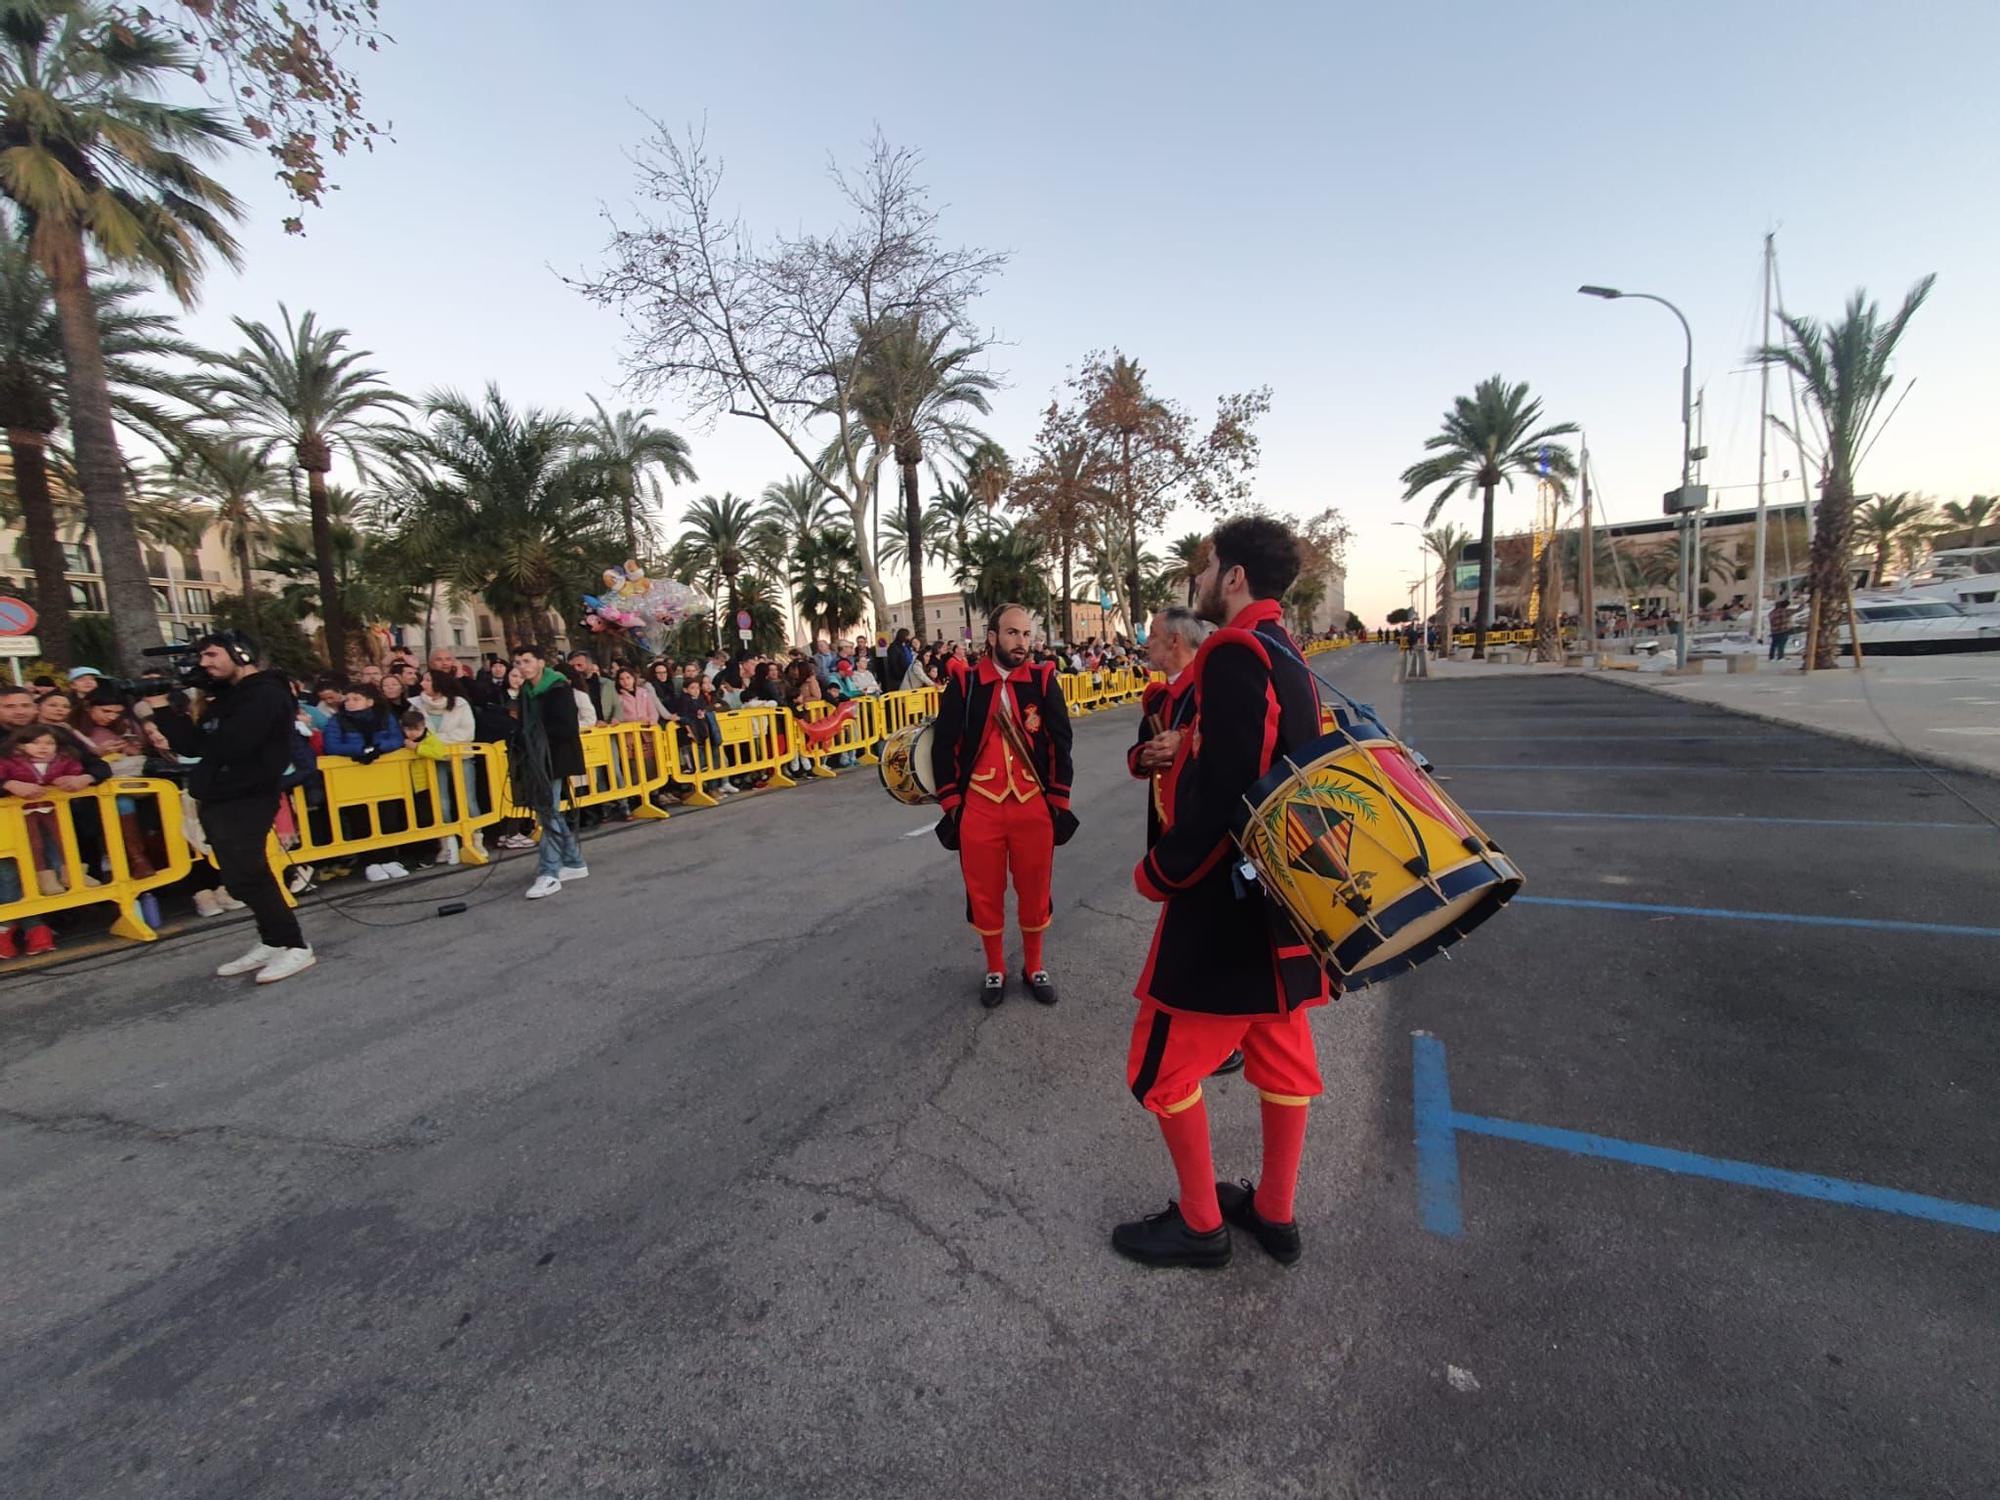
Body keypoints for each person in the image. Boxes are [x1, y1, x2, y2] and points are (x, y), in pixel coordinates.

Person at [1113, 515, 1331, 1271]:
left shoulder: (1236, 650)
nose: (1200, 579)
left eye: (1207, 566)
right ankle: (1274, 1213)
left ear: (1233, 576)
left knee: (1162, 1066)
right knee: (1282, 1058)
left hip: (1226, 908)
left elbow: (1231, 790)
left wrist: (1163, 870)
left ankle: (1202, 1224)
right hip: (1283, 904)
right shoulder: (1286, 650)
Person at [137, 631, 316, 983]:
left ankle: (294, 945)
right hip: (219, 795)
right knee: (239, 877)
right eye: (201, 658)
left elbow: (234, 744)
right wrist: (160, 706)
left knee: (250, 874)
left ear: (241, 655)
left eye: (212, 656)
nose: (205, 664)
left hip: (248, 794)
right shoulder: (223, 698)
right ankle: (273, 940)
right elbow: (194, 743)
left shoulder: (266, 693)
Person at [930, 602, 1078, 1008]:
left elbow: (1060, 742)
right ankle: (995, 968)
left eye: (1027, 634)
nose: (1022, 642)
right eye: (1013, 633)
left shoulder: (1043, 679)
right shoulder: (965, 683)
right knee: (984, 892)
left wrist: (1057, 799)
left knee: (1035, 889)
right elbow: (946, 746)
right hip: (979, 807)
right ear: (992, 636)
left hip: (1032, 805)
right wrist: (953, 804)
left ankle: (1035, 965)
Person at [511, 644, 588, 900]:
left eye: (526, 661)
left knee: (547, 811)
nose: (522, 666)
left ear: (541, 662)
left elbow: (567, 727)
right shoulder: (526, 690)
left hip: (555, 758)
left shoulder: (559, 689)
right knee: (549, 811)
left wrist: (536, 735)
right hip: (536, 758)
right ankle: (574, 862)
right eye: (518, 662)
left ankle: (549, 872)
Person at [1769, 597, 1794, 661]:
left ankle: (1771, 657)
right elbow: (1799, 609)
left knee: (1774, 644)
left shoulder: (1771, 613)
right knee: (1782, 644)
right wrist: (1803, 602)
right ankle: (1780, 657)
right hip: (1783, 630)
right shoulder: (1786, 611)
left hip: (1774, 631)